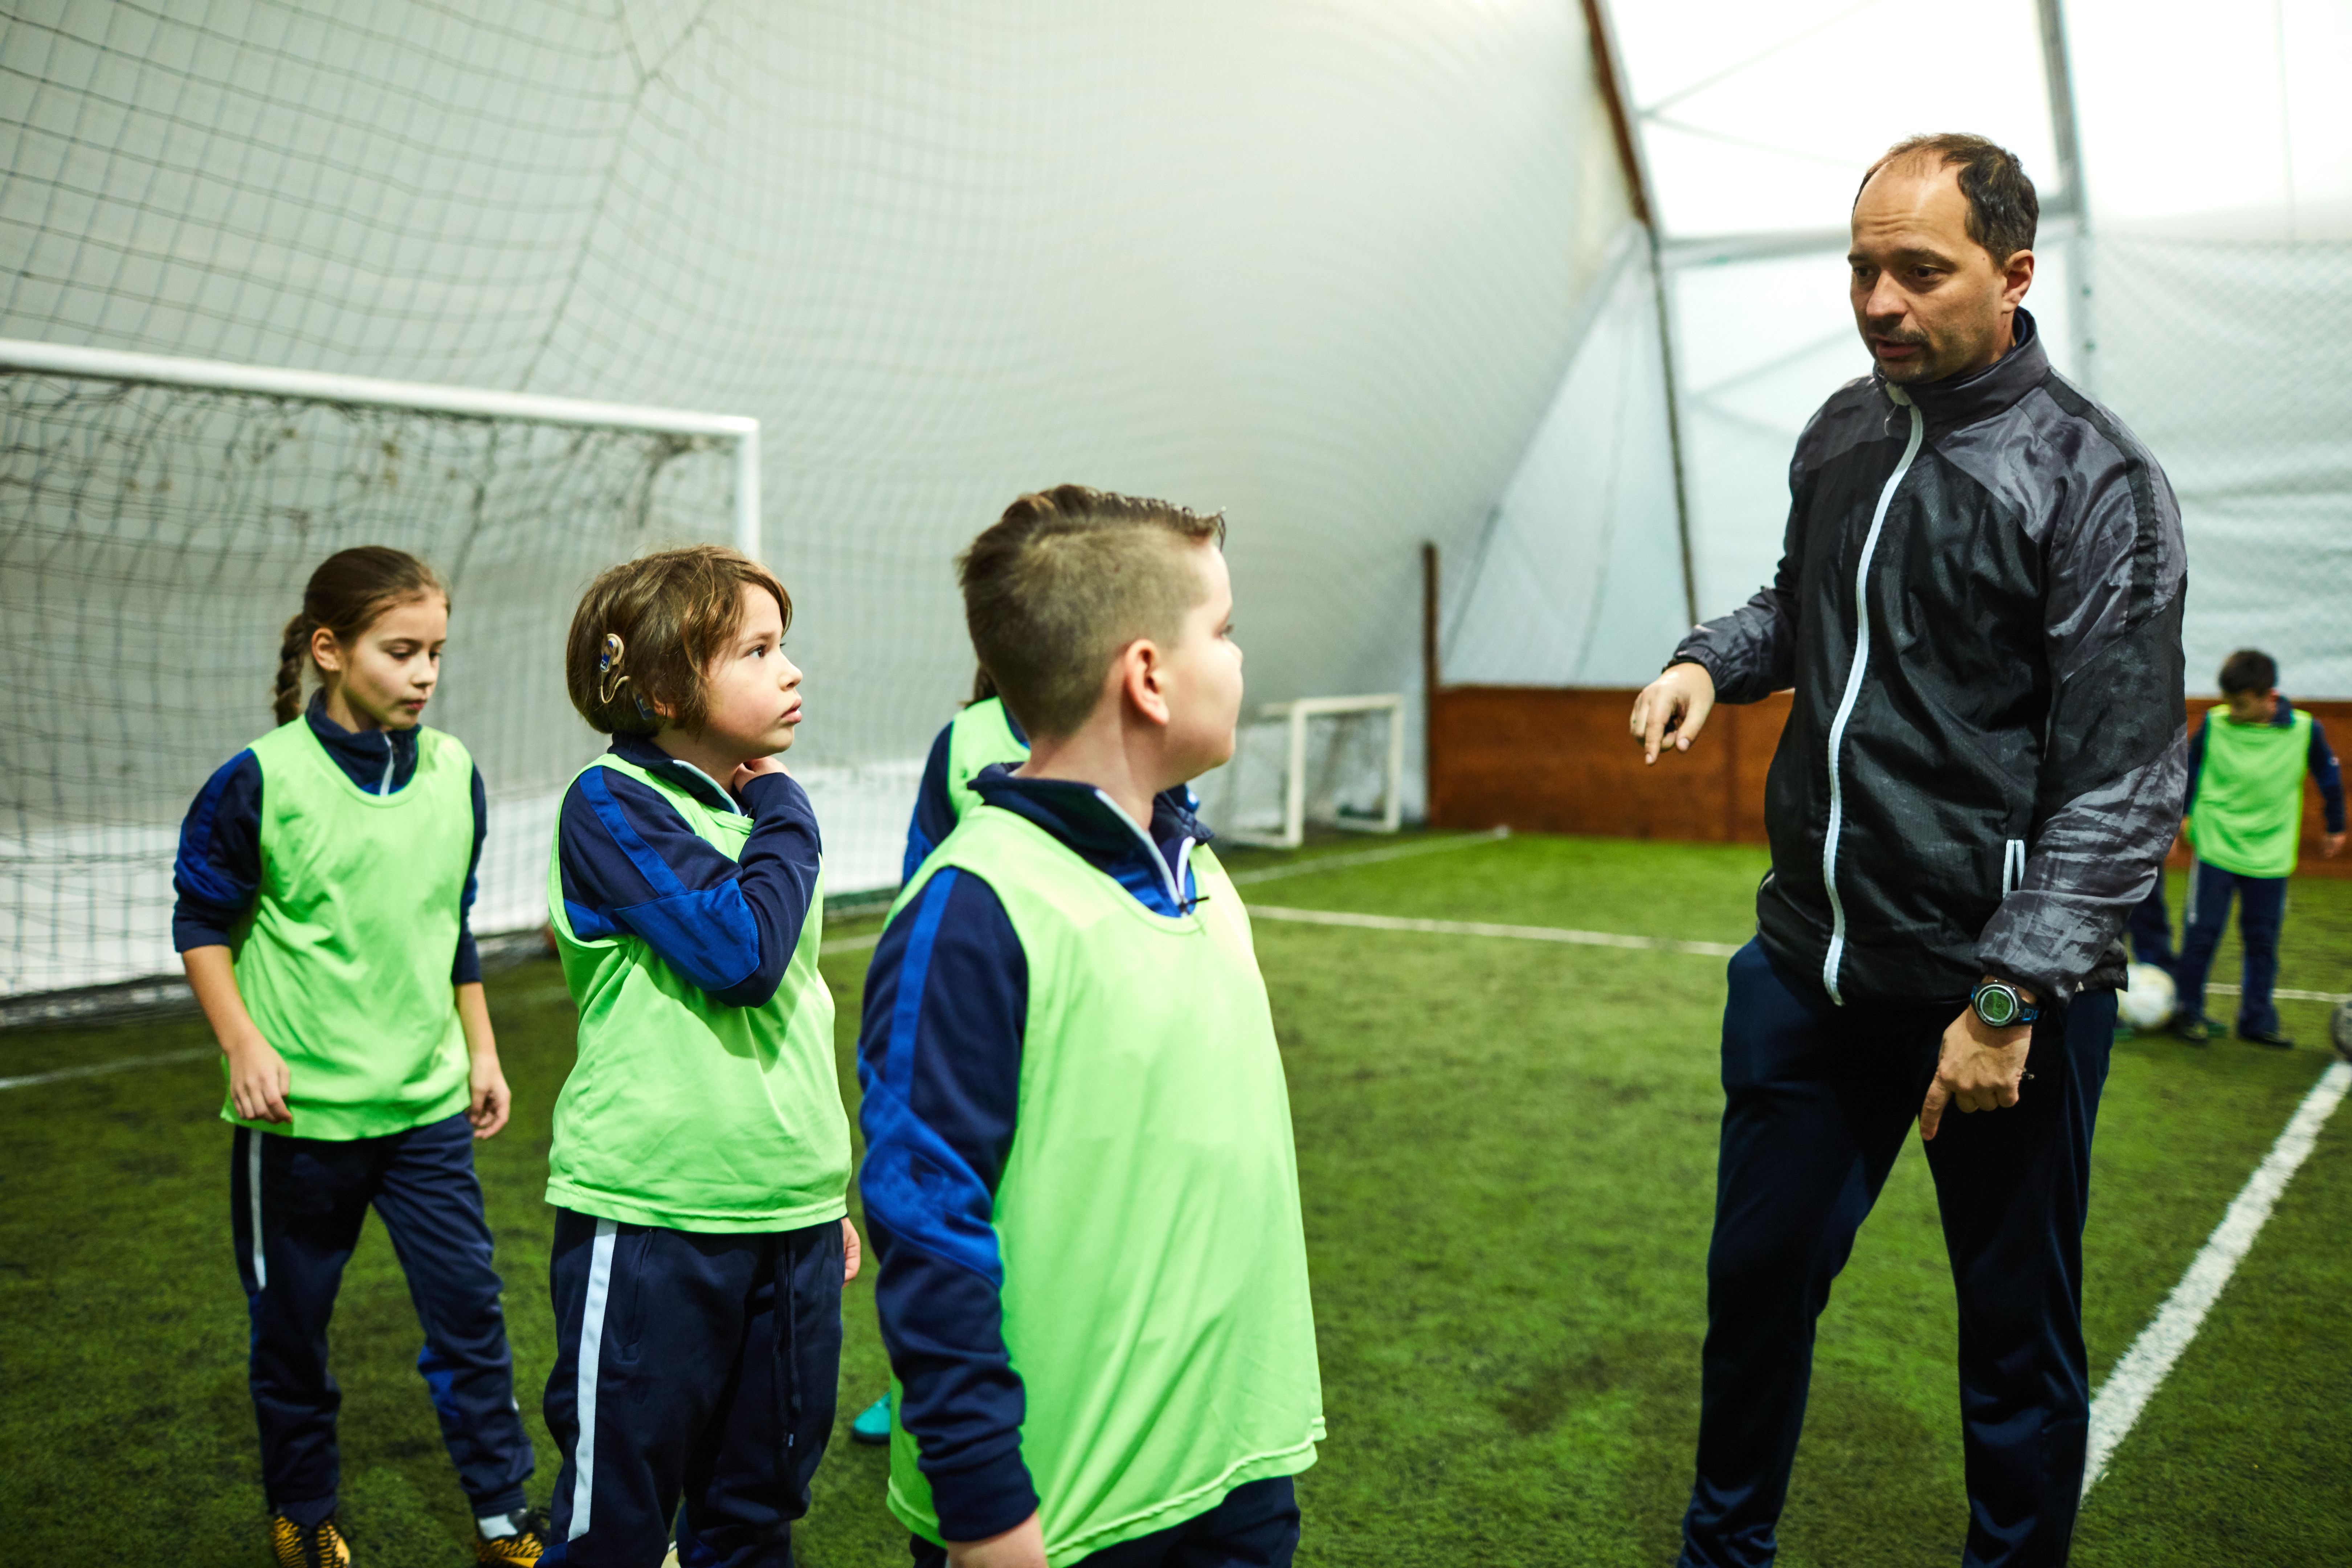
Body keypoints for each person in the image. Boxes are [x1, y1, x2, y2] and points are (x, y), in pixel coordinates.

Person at [1629, 134, 2186, 1566]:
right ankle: (1721, 1553)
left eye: (1919, 272)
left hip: (1990, 1009)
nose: (1880, 300)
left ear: (2012, 274)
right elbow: (1798, 608)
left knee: (2013, 1343)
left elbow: (2122, 784)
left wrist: (2006, 1003)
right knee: (1753, 1292)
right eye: (1864, 267)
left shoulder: (2094, 481)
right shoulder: (1843, 429)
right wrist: (1714, 659)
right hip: (1809, 974)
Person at [858, 486, 1323, 1568]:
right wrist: (986, 1513)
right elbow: (928, 1224)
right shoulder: (973, 907)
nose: (1242, 659)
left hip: (1236, 1468)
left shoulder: (1201, 870)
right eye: (1224, 630)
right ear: (1149, 677)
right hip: (1062, 1515)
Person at [174, 546, 544, 1567]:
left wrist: (482, 1049)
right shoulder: (258, 781)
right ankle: (302, 1506)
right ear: (330, 651)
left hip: (424, 1111)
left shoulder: (456, 770)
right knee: (292, 1333)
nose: (425, 673)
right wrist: (242, 1042)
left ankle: (504, 1517)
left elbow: (449, 924)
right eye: (401, 651)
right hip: (300, 1122)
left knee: (471, 1319)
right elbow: (201, 922)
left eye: (436, 652)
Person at [542, 546, 857, 1567]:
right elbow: (741, 957)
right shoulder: (611, 803)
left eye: (785, 646)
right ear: (668, 684)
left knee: (756, 1511)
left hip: (789, 1214)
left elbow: (790, 1018)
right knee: (616, 1524)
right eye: (759, 650)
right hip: (653, 1217)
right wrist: (792, 814)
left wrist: (818, 1191)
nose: (791, 671)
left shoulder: (742, 811)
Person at [849, 671, 1034, 1449]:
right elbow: (920, 870)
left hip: (1056, 999)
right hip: (970, 1004)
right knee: (940, 1196)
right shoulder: (963, 740)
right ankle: (913, 1379)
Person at [2169, 648, 2347, 1047]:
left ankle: (2257, 1020)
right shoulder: (2215, 724)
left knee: (2263, 940)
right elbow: (2191, 769)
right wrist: (2182, 815)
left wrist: (2336, 824)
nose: (2231, 710)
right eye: (2228, 701)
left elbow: (2329, 775)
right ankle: (2188, 1011)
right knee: (2202, 935)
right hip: (2216, 846)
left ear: (2269, 695)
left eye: (2241, 703)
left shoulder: (2305, 729)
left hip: (2270, 855)